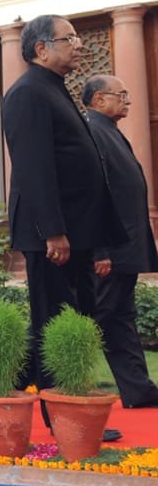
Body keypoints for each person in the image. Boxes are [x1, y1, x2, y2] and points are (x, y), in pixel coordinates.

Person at [2, 15, 126, 439]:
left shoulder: (53, 89)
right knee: (56, 323)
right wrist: (52, 230)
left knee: (77, 321)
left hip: (77, 233)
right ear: (41, 49)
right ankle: (65, 419)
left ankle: (71, 408)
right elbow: (35, 169)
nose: (77, 44)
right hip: (54, 237)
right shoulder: (27, 94)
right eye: (68, 38)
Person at [82, 75, 158, 408]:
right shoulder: (92, 132)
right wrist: (100, 249)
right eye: (121, 94)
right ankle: (23, 378)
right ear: (98, 99)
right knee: (91, 320)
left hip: (124, 247)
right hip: (110, 251)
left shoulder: (109, 130)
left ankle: (139, 390)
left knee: (119, 320)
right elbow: (92, 194)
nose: (128, 100)